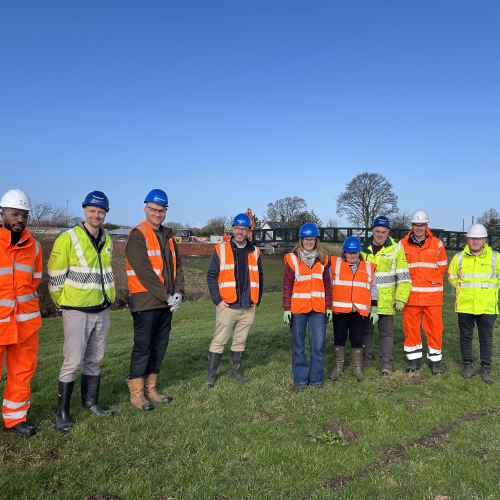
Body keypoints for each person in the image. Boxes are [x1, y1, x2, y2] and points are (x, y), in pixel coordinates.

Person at [48, 191, 115, 432]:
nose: (96, 215)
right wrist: (63, 304)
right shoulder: (68, 238)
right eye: (92, 210)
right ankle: (63, 413)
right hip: (76, 310)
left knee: (94, 360)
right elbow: (55, 277)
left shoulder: (107, 239)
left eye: (101, 211)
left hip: (102, 309)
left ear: (105, 213)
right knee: (72, 361)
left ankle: (91, 404)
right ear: (85, 211)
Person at [125, 189, 185, 409]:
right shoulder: (138, 234)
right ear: (146, 209)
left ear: (165, 211)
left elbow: (177, 266)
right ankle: (137, 394)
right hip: (145, 302)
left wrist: (179, 293)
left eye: (161, 210)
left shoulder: (168, 235)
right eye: (153, 209)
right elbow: (143, 271)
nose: (157, 214)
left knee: (159, 346)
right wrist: (166, 296)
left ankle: (151, 390)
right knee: (143, 347)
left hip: (165, 303)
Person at [0, 190, 42, 437]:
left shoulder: (33, 246)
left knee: (22, 373)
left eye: (24, 215)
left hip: (25, 323)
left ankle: (16, 418)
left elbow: (34, 281)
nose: (20, 219)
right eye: (15, 213)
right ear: (2, 213)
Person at [205, 213, 263, 387]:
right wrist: (217, 300)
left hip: (247, 306)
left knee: (240, 341)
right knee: (219, 341)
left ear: (248, 231)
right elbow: (211, 276)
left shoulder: (255, 251)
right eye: (237, 228)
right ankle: (211, 377)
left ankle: (235, 372)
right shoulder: (220, 249)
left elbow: (260, 276)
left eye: (244, 229)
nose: (240, 232)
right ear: (232, 229)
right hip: (227, 305)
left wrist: (257, 299)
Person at [448, 224, 500, 383]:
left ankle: (486, 369)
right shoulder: (459, 258)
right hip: (465, 305)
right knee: (465, 337)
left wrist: (491, 291)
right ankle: (468, 366)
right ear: (467, 239)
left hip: (487, 306)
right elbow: (451, 276)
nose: (475, 241)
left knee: (486, 338)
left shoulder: (495, 257)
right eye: (472, 238)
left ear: (485, 240)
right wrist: (462, 290)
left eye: (478, 238)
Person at [283, 223, 331, 389]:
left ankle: (316, 380)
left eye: (312, 239)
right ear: (301, 240)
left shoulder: (324, 259)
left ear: (316, 240)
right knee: (298, 346)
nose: (309, 242)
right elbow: (287, 285)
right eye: (306, 239)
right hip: (298, 309)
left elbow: (327, 285)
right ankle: (301, 380)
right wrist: (286, 308)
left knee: (318, 346)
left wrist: (329, 306)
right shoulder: (292, 259)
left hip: (318, 309)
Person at [361, 216, 412, 375]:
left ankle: (386, 365)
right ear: (372, 231)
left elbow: (404, 276)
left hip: (386, 300)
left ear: (388, 232)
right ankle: (365, 362)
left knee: (386, 334)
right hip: (366, 300)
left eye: (383, 232)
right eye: (377, 231)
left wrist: (401, 298)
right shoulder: (363, 248)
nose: (380, 235)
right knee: (366, 332)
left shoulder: (396, 249)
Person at [400, 210, 448, 375]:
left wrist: (430, 280)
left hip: (432, 296)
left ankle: (435, 363)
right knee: (411, 328)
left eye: (421, 225)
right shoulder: (402, 244)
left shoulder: (437, 244)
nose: (419, 228)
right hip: (411, 296)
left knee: (435, 328)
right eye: (415, 225)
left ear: (427, 225)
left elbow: (442, 266)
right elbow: (399, 267)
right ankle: (413, 361)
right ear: (412, 226)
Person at [329, 237, 378, 382]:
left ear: (359, 252)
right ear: (344, 253)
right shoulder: (335, 265)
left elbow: (373, 289)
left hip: (359, 312)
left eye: (355, 253)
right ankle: (338, 368)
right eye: (349, 253)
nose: (352, 256)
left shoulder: (368, 267)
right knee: (339, 339)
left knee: (357, 340)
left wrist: (374, 309)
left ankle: (358, 370)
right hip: (340, 311)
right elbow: (327, 285)